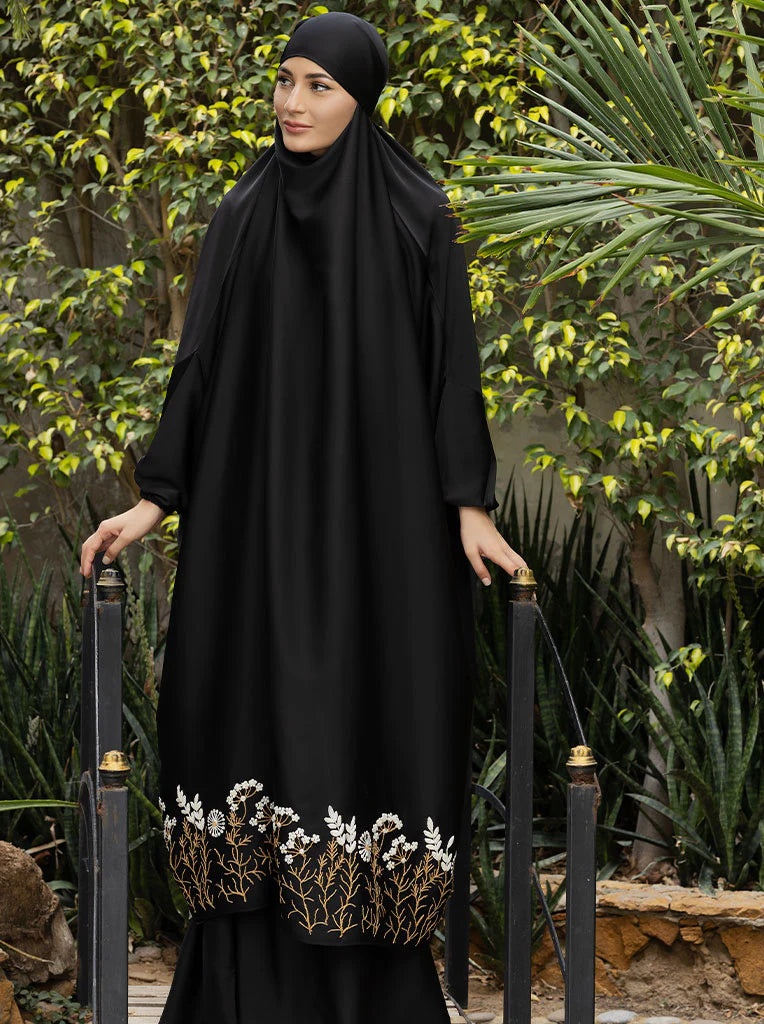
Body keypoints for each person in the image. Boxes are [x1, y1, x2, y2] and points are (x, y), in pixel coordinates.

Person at [80, 10, 525, 1022]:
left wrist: (468, 506)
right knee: (247, 716)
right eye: (285, 80)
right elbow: (197, 367)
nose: (292, 101)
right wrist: (156, 498)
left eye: (318, 85)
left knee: (372, 714)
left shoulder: (420, 213)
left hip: (383, 528)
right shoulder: (243, 212)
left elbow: (451, 367)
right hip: (252, 525)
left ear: (360, 98)